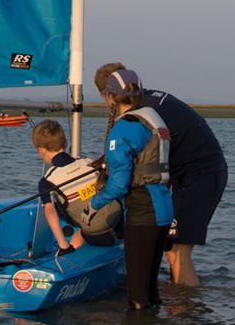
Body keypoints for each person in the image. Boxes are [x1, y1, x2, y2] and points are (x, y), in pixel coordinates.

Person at [94, 62, 227, 287]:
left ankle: (183, 314)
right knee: (168, 246)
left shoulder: (141, 114)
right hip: (190, 171)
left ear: (109, 96)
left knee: (177, 249)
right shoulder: (145, 101)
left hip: (200, 174)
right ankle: (173, 305)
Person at [84, 69, 173, 309]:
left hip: (144, 212)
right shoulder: (154, 117)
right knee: (151, 290)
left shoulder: (124, 128)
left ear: (111, 97)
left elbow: (119, 183)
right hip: (164, 211)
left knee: (136, 296)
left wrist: (94, 204)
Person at [32, 119, 123, 256]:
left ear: (41, 150)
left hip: (96, 236)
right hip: (121, 226)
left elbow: (50, 212)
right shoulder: (88, 162)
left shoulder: (47, 181)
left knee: (81, 229)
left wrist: (63, 246)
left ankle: (64, 253)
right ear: (65, 143)